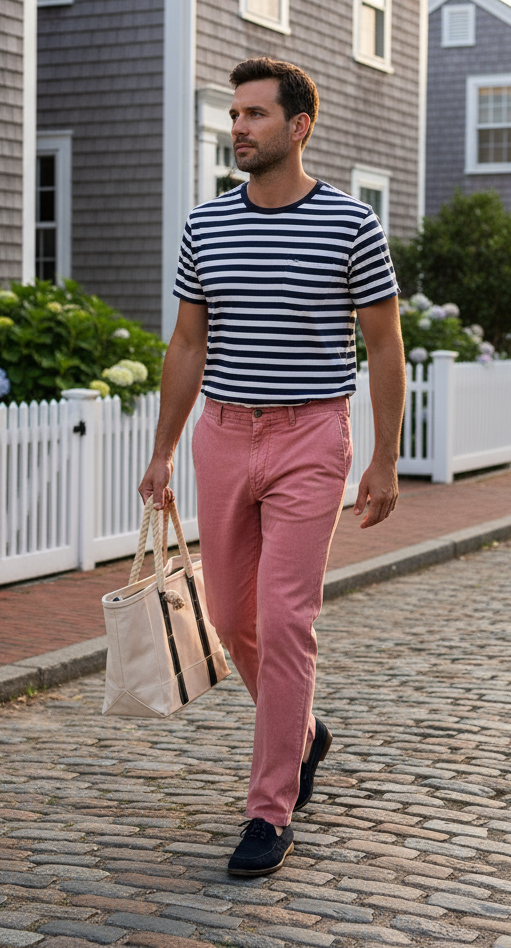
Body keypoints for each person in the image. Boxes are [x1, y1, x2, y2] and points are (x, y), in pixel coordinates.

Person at [138, 57, 405, 877]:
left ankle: (267, 809)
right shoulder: (206, 226)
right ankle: (304, 732)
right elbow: (188, 344)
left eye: (255, 115)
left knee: (288, 619)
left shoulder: (351, 225)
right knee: (229, 618)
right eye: (234, 113)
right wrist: (163, 448)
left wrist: (386, 459)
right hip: (222, 433)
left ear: (299, 126)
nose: (239, 127)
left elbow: (385, 345)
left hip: (309, 440)